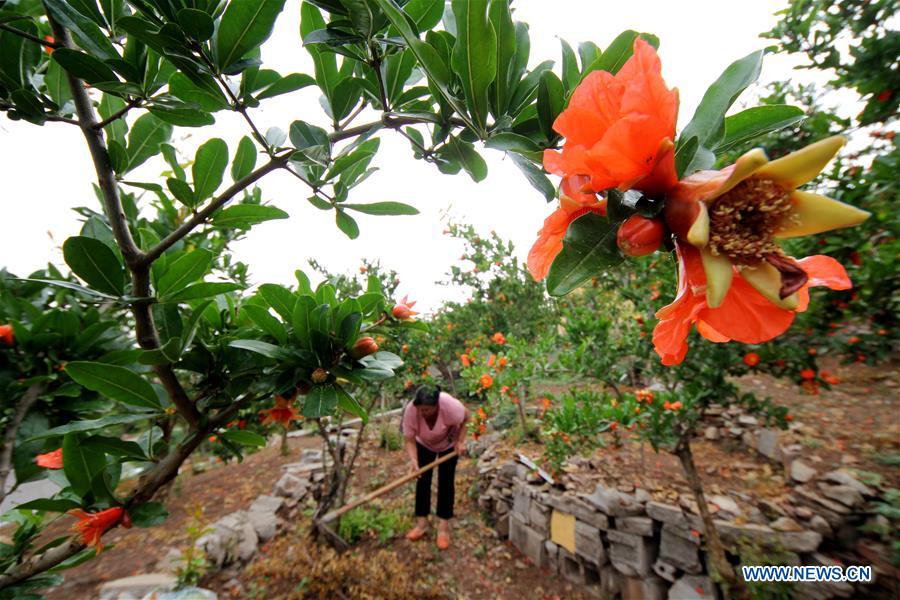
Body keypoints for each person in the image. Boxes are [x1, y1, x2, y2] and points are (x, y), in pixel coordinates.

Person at [402, 385, 468, 550]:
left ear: (437, 405)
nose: (423, 413)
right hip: (424, 444)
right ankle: (421, 524)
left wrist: (460, 441)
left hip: (448, 445)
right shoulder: (411, 411)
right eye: (420, 409)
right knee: (422, 481)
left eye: (427, 410)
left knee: (446, 483)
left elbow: (467, 417)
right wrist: (414, 461)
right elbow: (409, 440)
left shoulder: (451, 407)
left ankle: (443, 528)